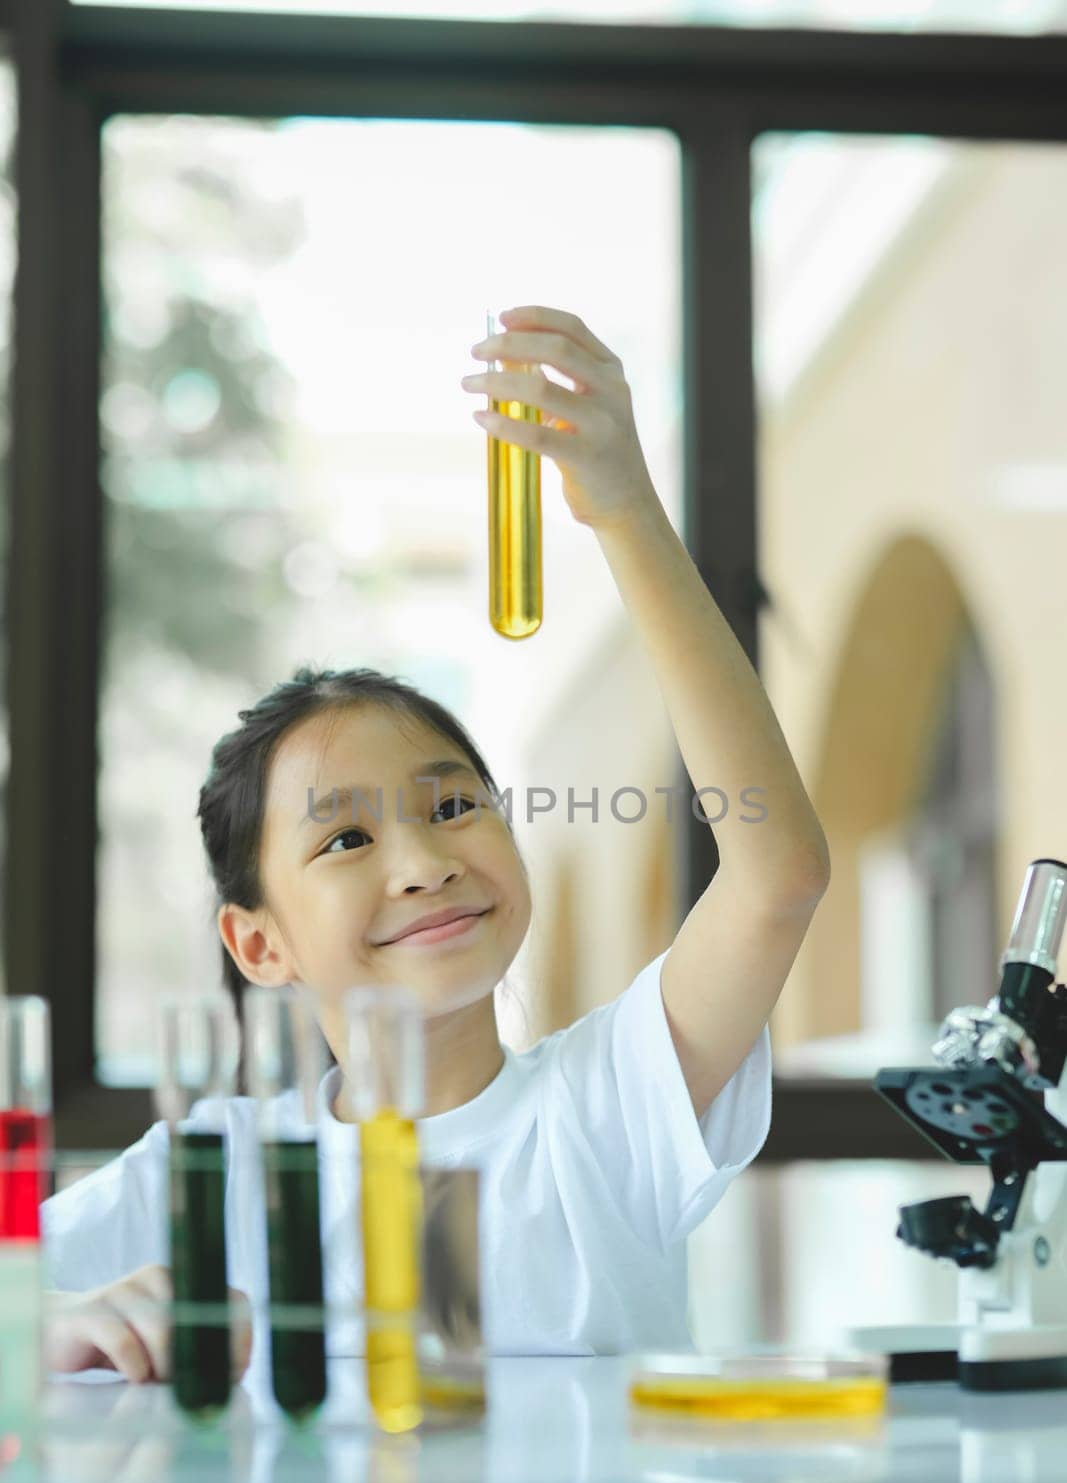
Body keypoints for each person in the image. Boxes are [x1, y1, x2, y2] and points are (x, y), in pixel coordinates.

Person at [41, 304, 831, 1385]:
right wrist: (52, 1327)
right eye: (348, 837)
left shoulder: (604, 1108)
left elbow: (775, 872)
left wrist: (624, 513)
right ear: (257, 941)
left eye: (453, 806)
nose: (422, 862)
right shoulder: (212, 1171)